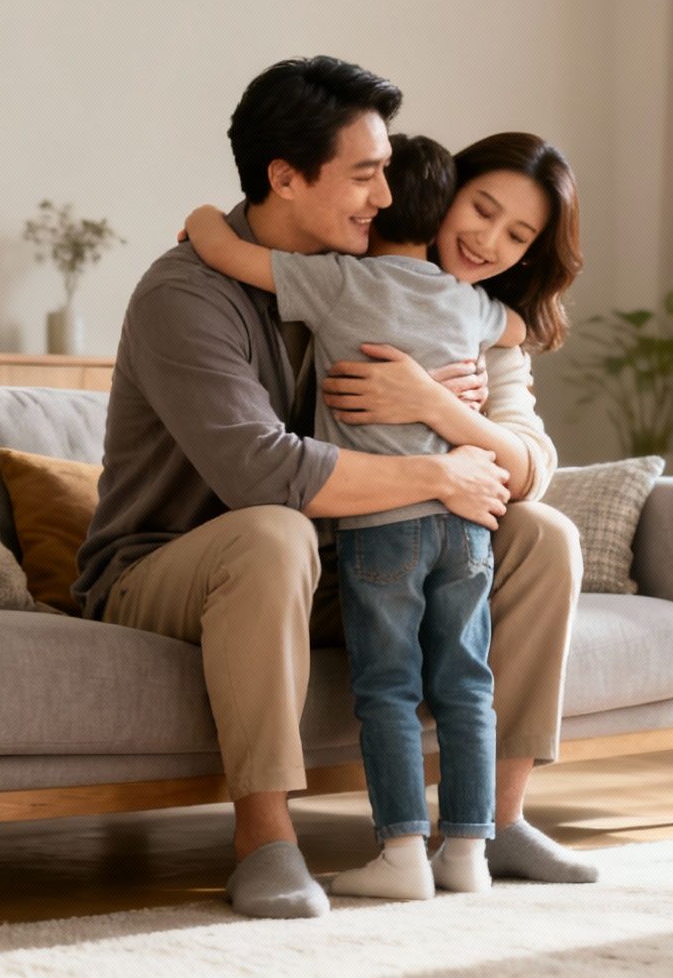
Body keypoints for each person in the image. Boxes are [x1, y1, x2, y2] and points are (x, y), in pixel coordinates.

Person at [76, 57, 594, 919]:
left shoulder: (409, 289)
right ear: (284, 175)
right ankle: (266, 841)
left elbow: (527, 451)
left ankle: (493, 822)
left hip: (344, 555)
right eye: (364, 175)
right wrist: (439, 469)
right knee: (271, 529)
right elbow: (262, 473)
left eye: (388, 173)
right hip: (166, 566)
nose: (386, 198)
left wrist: (437, 408)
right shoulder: (187, 295)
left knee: (542, 535)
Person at [183, 131, 525, 901]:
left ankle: (403, 854)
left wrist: (205, 215)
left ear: (381, 204)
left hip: (383, 529)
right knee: (468, 685)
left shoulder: (337, 280)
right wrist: (463, 382)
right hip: (467, 524)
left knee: (389, 689)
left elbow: (225, 254)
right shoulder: (466, 301)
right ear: (440, 220)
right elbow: (521, 330)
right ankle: (468, 853)